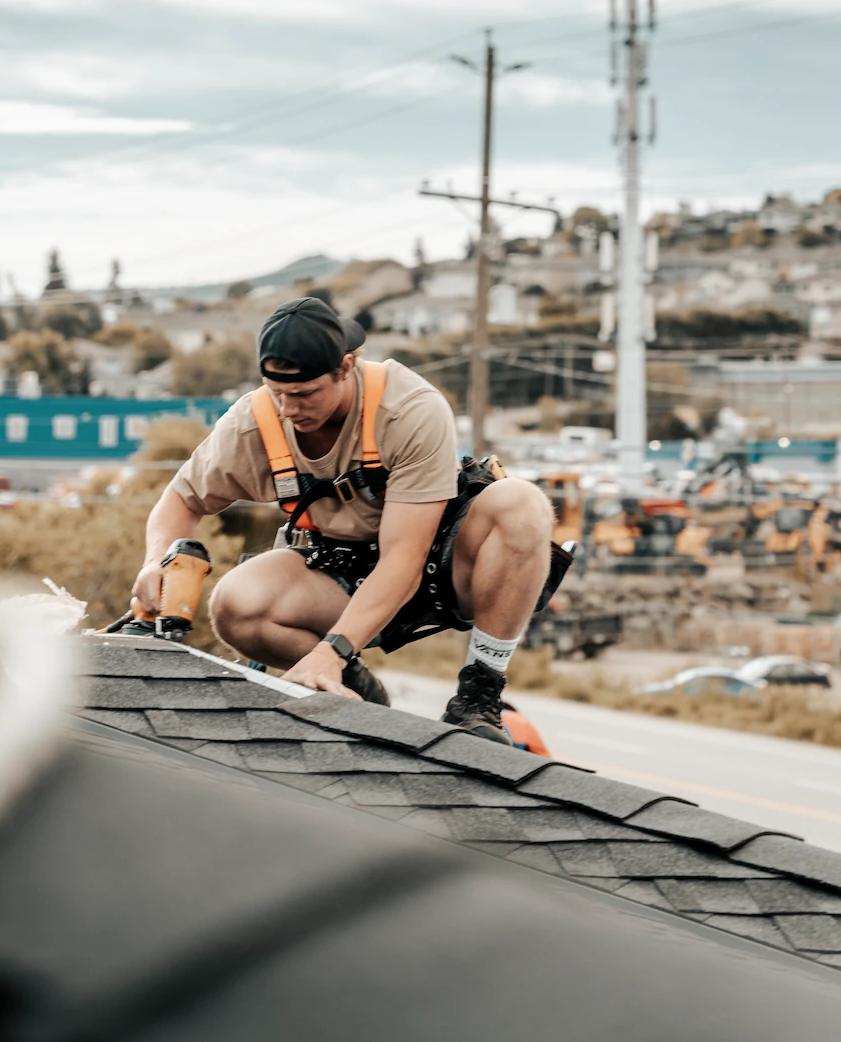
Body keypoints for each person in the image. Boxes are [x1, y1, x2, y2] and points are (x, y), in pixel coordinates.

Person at [132, 297, 557, 744]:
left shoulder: (409, 409)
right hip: (336, 569)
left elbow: (404, 559)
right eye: (276, 393)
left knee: (523, 505)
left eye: (303, 394)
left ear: (347, 366)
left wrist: (332, 648)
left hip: (440, 564)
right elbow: (181, 499)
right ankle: (352, 689)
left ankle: (478, 698)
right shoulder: (252, 425)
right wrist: (156, 561)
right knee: (236, 603)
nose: (288, 409)